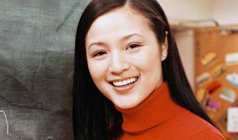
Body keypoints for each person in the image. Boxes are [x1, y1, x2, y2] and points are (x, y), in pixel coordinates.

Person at [72, 0, 225, 139]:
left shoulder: (201, 136)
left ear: (163, 46)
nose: (117, 67)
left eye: (133, 46)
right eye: (100, 53)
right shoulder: (107, 134)